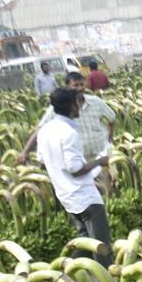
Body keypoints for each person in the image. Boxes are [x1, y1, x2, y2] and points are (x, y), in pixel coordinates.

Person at [35, 88, 113, 267]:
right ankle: (109, 281)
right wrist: (100, 161)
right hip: (84, 196)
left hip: (65, 194)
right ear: (72, 107)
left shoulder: (45, 130)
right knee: (101, 244)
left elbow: (41, 161)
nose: (80, 106)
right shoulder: (69, 134)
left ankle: (64, 274)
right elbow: (76, 169)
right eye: (78, 103)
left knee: (85, 240)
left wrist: (58, 166)